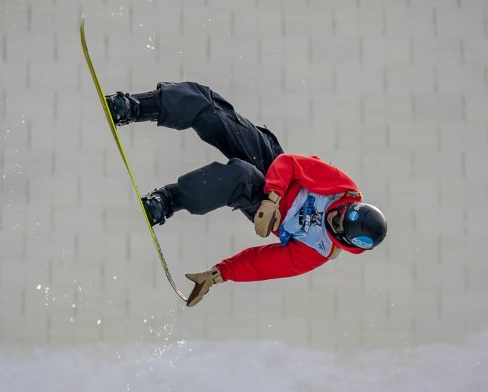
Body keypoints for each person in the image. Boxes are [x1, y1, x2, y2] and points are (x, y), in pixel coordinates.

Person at [105, 82, 387, 307]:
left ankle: (166, 202)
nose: (335, 214)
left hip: (265, 210)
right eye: (342, 211)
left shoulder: (317, 251)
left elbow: (263, 264)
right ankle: (134, 107)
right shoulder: (343, 189)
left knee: (240, 176)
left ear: (343, 239)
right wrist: (275, 195)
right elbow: (291, 163)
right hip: (276, 169)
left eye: (337, 224)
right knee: (215, 114)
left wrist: (219, 274)